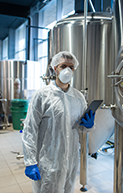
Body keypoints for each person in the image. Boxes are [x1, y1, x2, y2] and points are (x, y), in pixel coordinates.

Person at [22, 51, 95, 193]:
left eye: (71, 67)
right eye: (63, 66)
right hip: (48, 162)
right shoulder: (42, 95)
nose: (67, 70)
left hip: (71, 161)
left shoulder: (78, 97)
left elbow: (80, 128)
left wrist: (89, 126)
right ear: (55, 68)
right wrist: (30, 161)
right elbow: (30, 129)